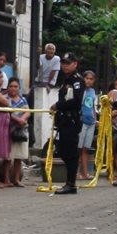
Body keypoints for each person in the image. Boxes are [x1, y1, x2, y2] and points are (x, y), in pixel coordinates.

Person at [50, 53, 85, 195]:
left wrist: (58, 105)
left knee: (70, 152)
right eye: (63, 63)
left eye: (68, 63)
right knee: (62, 150)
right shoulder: (66, 80)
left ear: (75, 64)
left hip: (71, 120)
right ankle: (70, 182)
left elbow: (76, 101)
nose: (65, 65)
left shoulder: (77, 81)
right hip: (64, 120)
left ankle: (71, 184)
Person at [7, 78, 29, 187]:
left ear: (19, 88)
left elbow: (27, 111)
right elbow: (7, 113)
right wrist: (17, 120)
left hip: (21, 130)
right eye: (11, 86)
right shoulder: (5, 99)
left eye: (15, 86)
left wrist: (23, 119)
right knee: (8, 157)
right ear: (7, 87)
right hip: (9, 130)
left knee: (18, 157)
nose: (13, 88)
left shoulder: (23, 99)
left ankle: (16, 179)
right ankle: (6, 179)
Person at [78, 70, 98, 180]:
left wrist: (95, 119)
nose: (89, 81)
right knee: (78, 148)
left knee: (86, 149)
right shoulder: (81, 91)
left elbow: (93, 108)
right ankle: (77, 172)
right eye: (87, 78)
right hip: (82, 123)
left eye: (91, 79)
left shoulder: (93, 92)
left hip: (91, 122)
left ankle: (85, 173)